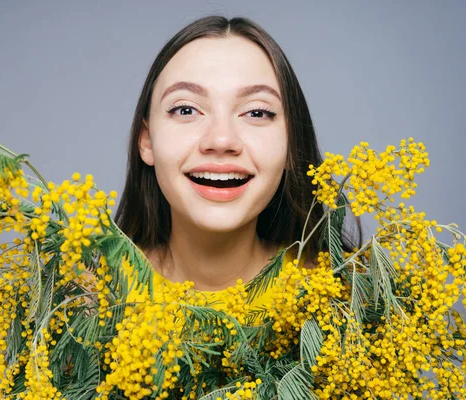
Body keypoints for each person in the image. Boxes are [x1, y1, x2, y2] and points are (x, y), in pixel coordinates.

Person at [114, 15, 362, 302]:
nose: (221, 141)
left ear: (291, 143)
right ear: (146, 141)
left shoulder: (349, 299)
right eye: (186, 110)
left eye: (256, 112)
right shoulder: (85, 303)